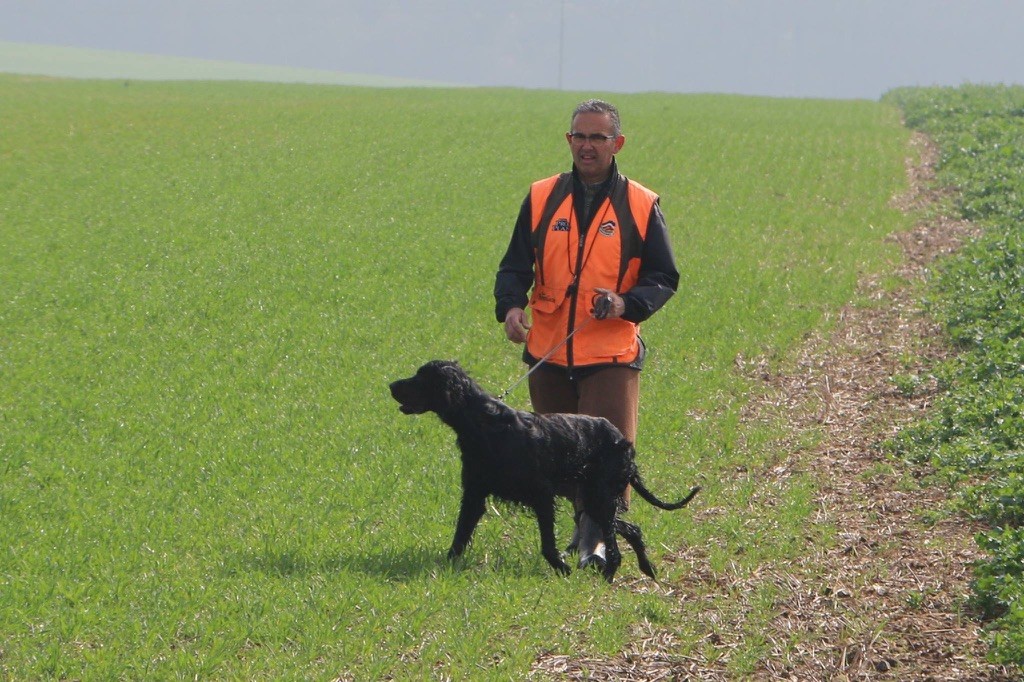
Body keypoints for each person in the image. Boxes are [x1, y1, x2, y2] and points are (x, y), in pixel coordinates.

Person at [493, 99, 679, 571]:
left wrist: (624, 304)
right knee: (559, 460)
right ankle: (582, 537)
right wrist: (511, 307)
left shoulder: (640, 203)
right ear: (568, 140)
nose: (587, 145)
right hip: (548, 356)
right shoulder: (540, 197)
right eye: (580, 136)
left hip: (610, 353)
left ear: (617, 144)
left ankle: (598, 547)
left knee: (606, 456)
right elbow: (514, 265)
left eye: (598, 137)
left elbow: (663, 277)